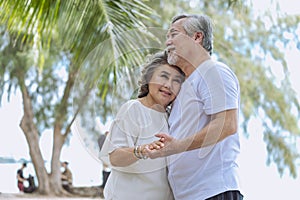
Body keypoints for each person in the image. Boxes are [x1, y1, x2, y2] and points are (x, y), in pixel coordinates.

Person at [146, 14, 243, 200]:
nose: (167, 42)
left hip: (214, 192)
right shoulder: (184, 87)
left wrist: (177, 146)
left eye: (173, 34)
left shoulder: (213, 71)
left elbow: (227, 124)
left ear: (196, 37)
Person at [99, 51, 185, 200]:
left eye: (176, 81)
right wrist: (141, 150)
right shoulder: (133, 108)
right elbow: (114, 157)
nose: (168, 85)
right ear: (148, 78)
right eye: (163, 76)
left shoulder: (173, 119)